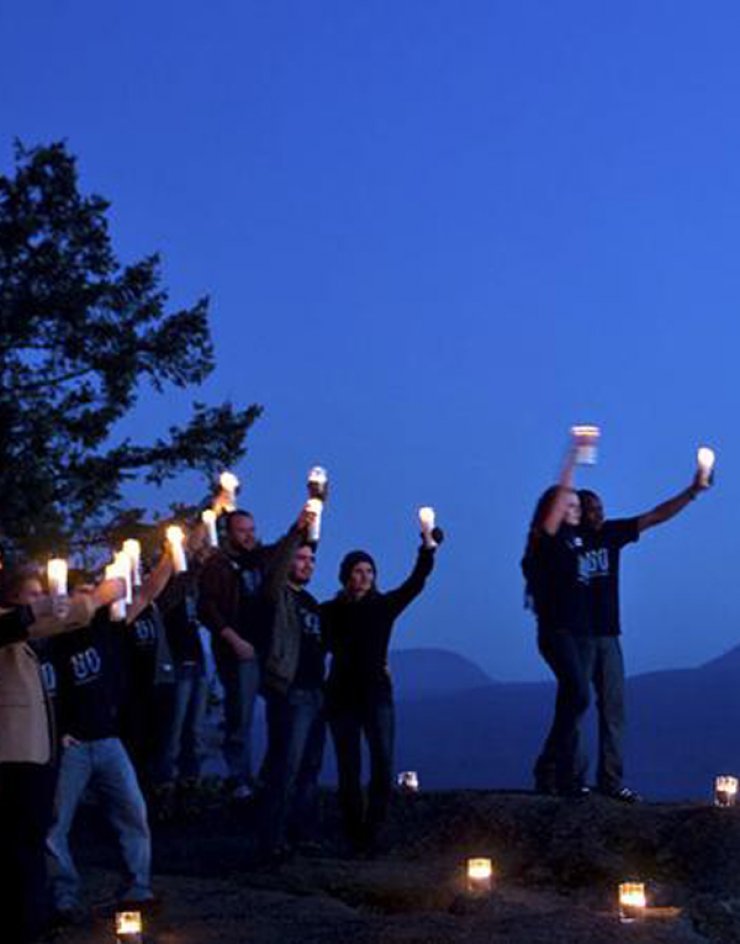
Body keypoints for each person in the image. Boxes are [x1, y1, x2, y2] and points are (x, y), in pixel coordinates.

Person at [0, 567, 122, 943]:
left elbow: (64, 619)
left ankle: (32, 918)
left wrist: (92, 599)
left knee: (30, 842)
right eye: (32, 595)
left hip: (35, 753)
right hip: (12, 756)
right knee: (19, 845)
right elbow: (32, 622)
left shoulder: (28, 629)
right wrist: (92, 599)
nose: (40, 601)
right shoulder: (11, 623)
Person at [46, 556, 171, 922]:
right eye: (83, 593)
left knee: (133, 812)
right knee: (56, 824)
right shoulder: (56, 637)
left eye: (92, 591)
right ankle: (63, 897)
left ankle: (138, 888)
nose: (91, 597)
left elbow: (147, 592)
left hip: (109, 741)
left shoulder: (108, 627)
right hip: (72, 746)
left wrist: (170, 552)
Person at [576, 468, 712, 802]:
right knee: (574, 708)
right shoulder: (565, 542)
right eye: (591, 508)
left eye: (600, 508)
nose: (598, 513)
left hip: (608, 636)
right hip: (577, 637)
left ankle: (610, 780)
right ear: (577, 512)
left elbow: (656, 515)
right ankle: (572, 780)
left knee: (613, 709)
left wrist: (692, 491)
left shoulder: (611, 533)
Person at [321, 524, 441, 854]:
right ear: (346, 575)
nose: (365, 577)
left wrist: (428, 546)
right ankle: (353, 832)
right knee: (349, 766)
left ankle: (373, 831)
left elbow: (416, 582)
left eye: (369, 571)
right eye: (358, 571)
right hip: (341, 694)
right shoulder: (329, 612)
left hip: (376, 693)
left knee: (383, 762)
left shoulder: (382, 607)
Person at [197, 510, 282, 800]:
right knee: (240, 715)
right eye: (243, 530)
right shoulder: (218, 565)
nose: (249, 535)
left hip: (266, 648)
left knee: (281, 710)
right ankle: (239, 779)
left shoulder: (260, 560)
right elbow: (207, 608)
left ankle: (271, 775)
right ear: (230, 533)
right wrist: (233, 640)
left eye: (252, 529)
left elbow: (287, 547)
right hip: (238, 651)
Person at [258, 506, 326, 861]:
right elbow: (275, 570)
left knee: (310, 769)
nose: (306, 564)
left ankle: (304, 834)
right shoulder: (276, 595)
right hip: (291, 693)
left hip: (316, 694)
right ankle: (273, 839)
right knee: (285, 766)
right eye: (301, 559)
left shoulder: (312, 603)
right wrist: (298, 532)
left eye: (311, 560)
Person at [522, 447, 591, 797]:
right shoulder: (547, 541)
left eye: (578, 506)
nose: (575, 510)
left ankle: (563, 777)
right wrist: (573, 457)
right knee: (578, 696)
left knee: (571, 701)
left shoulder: (574, 542)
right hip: (555, 632)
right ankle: (547, 765)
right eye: (570, 506)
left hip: (575, 632)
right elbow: (561, 496)